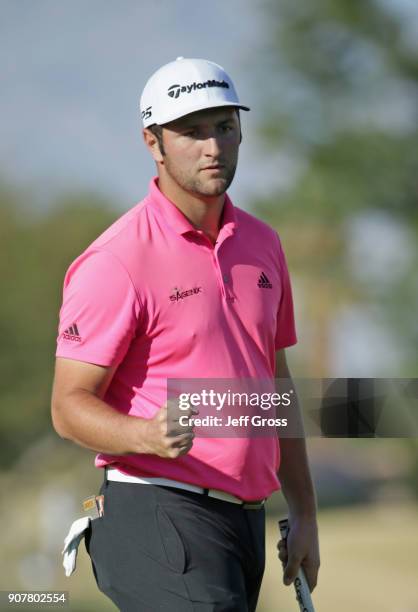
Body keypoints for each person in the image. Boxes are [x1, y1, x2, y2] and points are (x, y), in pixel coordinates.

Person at [51, 57, 320, 611]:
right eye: (192, 133)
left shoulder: (263, 244)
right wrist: (143, 435)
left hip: (242, 520)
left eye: (224, 127)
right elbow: (67, 407)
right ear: (154, 142)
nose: (213, 147)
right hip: (157, 512)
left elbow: (274, 388)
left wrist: (307, 511)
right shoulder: (117, 259)